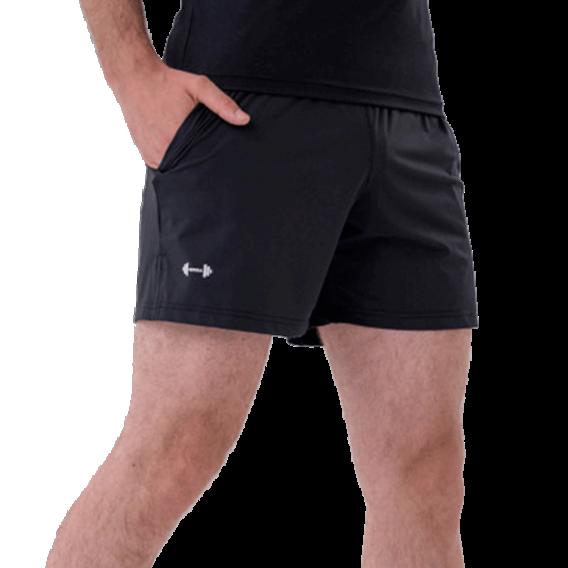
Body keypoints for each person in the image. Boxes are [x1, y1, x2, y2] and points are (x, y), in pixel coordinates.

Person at [47, 1, 478, 566]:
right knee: (176, 444)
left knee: (424, 470)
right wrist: (132, 76)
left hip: (408, 107)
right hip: (242, 104)